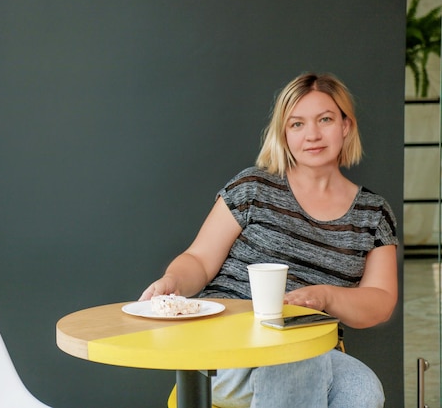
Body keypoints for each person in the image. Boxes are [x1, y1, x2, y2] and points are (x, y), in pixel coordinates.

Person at [139, 72, 398, 408]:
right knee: (297, 359)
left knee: (362, 391)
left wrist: (325, 296)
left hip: (312, 348)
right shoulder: (252, 188)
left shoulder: (373, 213)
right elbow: (199, 260)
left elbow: (379, 302)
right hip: (228, 346)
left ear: (346, 127)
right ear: (284, 134)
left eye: (325, 120)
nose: (313, 135)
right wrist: (173, 280)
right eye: (297, 124)